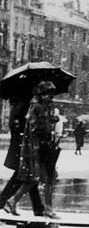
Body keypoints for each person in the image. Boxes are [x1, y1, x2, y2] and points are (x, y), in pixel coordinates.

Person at [13, 81, 60, 218]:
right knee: (37, 178)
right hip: (38, 148)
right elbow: (36, 127)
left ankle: (47, 207)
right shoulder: (36, 107)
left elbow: (44, 125)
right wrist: (50, 120)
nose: (49, 97)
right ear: (41, 95)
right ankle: (46, 208)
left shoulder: (48, 107)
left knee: (45, 178)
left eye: (51, 94)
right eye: (46, 94)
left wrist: (52, 119)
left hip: (45, 146)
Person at [0, 93, 44, 216]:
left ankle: (38, 207)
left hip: (21, 146)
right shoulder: (23, 107)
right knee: (24, 176)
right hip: (23, 147)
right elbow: (23, 127)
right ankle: (3, 201)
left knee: (28, 176)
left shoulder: (19, 107)